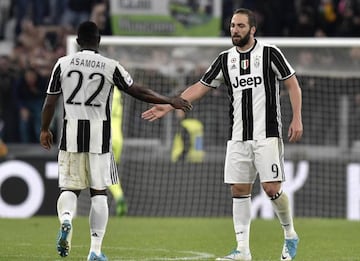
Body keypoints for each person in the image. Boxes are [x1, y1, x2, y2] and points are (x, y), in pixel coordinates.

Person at [142, 8, 303, 261]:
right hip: (238, 136)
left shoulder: (270, 53)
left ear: (252, 29)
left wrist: (296, 117)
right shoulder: (224, 59)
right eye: (232, 26)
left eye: (240, 26)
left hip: (267, 133)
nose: (234, 30)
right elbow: (200, 86)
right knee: (238, 189)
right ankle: (242, 250)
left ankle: (290, 234)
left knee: (272, 188)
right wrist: (169, 104)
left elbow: (292, 83)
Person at [40, 21, 191, 261]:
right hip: (99, 137)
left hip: (70, 136)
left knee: (69, 188)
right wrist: (169, 100)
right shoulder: (110, 66)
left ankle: (67, 219)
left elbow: (50, 102)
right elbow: (138, 91)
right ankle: (95, 251)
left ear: (77, 42)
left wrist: (45, 129)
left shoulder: (63, 63)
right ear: (99, 41)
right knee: (99, 193)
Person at [109, 87, 127, 216]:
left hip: (105, 136)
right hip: (118, 138)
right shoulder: (118, 92)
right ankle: (119, 195)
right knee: (110, 172)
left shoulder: (104, 88)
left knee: (99, 172)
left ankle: (118, 195)